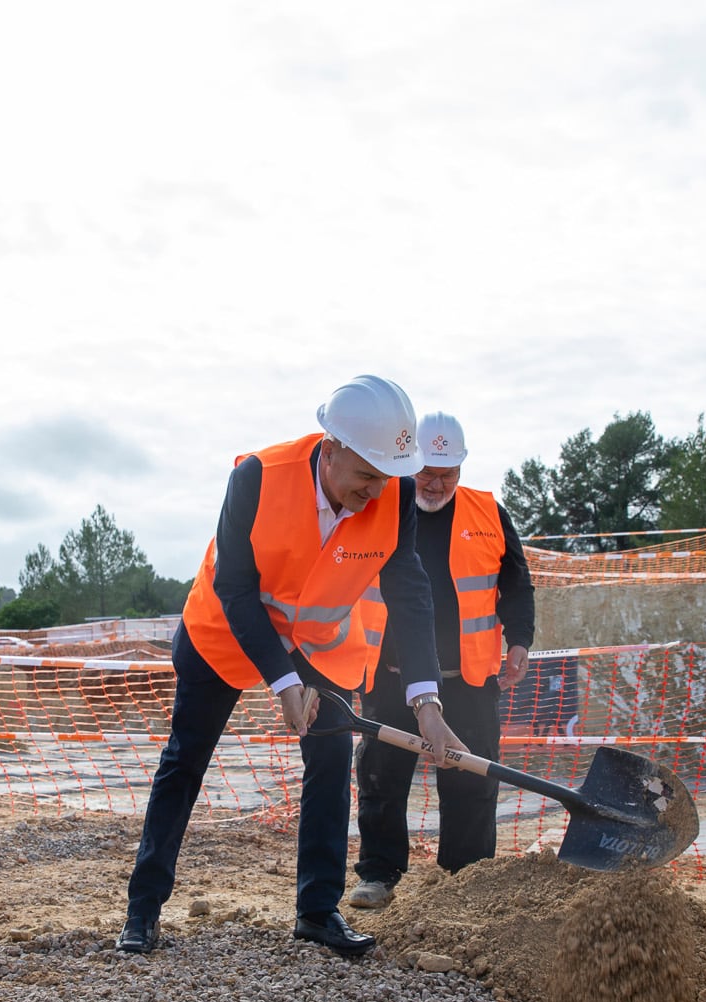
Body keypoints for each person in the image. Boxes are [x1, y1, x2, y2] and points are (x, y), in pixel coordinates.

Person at [120, 375, 463, 959]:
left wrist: (426, 705)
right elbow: (235, 587)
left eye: (387, 479)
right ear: (330, 450)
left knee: (330, 761)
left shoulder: (396, 493)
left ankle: (318, 911)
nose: (376, 493)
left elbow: (410, 590)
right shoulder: (256, 477)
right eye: (365, 477)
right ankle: (143, 910)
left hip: (322, 640)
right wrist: (283, 683)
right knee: (184, 763)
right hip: (228, 630)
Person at [347, 412, 535, 907]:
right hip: (389, 678)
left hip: (468, 681)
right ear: (411, 466)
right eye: (426, 472)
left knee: (472, 783)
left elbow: (516, 581)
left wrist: (519, 640)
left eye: (445, 474)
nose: (435, 483)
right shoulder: (380, 505)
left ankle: (465, 882)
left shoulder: (488, 512)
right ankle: (379, 874)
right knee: (381, 780)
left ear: (461, 468)